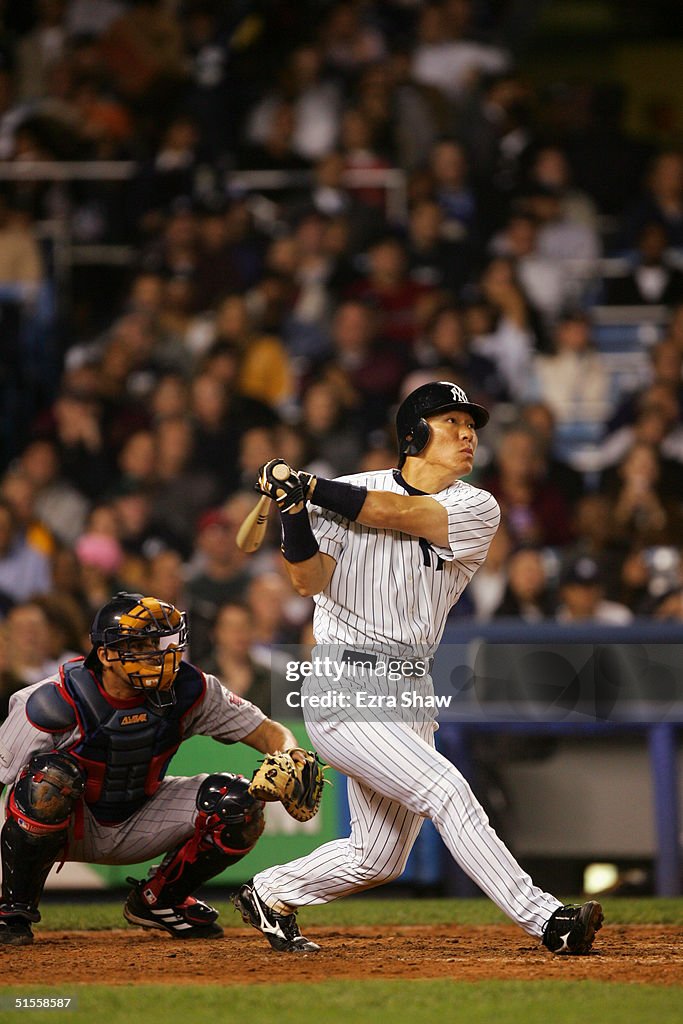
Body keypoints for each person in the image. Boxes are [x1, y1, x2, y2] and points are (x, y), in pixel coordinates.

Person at [232, 380, 604, 956]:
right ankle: (547, 919)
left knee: (378, 857)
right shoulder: (344, 492)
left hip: (410, 687)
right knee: (446, 788)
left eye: (471, 425)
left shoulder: (476, 505)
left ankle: (270, 890)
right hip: (343, 681)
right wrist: (294, 513)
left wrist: (310, 488)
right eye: (451, 422)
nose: (467, 434)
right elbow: (308, 581)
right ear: (413, 434)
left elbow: (398, 512)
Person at [0, 591, 307, 946]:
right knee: (49, 780)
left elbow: (270, 732)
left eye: (163, 642)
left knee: (238, 803)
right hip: (66, 826)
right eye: (144, 644)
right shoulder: (51, 701)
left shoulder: (191, 689)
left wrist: (290, 757)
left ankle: (160, 902)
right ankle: (13, 910)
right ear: (106, 654)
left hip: (140, 813)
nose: (161, 655)